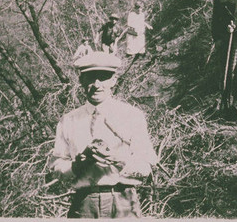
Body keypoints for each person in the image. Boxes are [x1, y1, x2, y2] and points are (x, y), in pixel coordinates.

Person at [51, 51, 158, 218]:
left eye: (103, 77)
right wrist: (77, 165)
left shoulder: (132, 115)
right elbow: (57, 167)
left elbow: (146, 167)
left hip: (124, 201)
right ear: (81, 80)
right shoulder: (69, 120)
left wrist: (120, 160)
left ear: (114, 80)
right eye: (90, 77)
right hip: (84, 203)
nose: (97, 84)